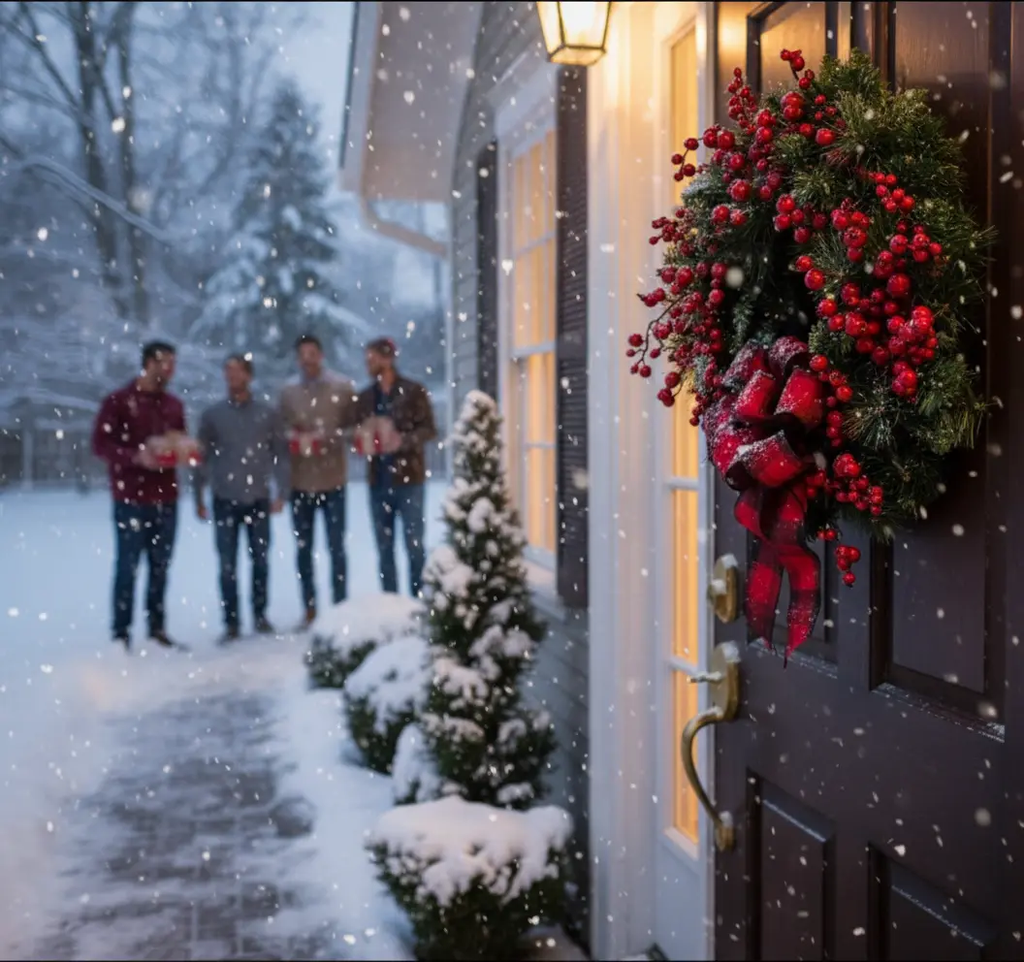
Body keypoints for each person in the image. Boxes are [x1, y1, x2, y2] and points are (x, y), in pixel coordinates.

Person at [91, 340, 186, 650]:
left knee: (161, 566)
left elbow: (178, 441)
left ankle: (157, 628)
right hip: (130, 499)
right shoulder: (118, 401)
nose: (169, 369)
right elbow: (99, 445)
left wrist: (183, 451)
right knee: (127, 566)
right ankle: (121, 634)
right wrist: (135, 456)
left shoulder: (174, 406)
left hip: (166, 498)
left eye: (172, 363)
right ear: (147, 363)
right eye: (163, 362)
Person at [194, 354, 290, 643]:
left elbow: (281, 455)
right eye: (228, 371)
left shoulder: (267, 414)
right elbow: (201, 458)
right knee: (227, 563)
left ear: (249, 375)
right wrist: (198, 494)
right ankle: (231, 621)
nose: (232, 376)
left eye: (237, 371)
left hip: (258, 497)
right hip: (224, 498)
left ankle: (260, 615)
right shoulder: (213, 416)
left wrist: (282, 491)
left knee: (260, 560)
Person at [279, 333, 359, 628]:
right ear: (298, 358)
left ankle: (340, 607)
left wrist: (331, 437)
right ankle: (309, 608)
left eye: (312, 353)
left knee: (336, 547)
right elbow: (280, 432)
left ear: (321, 355)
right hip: (300, 483)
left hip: (333, 479)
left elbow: (354, 430)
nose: (307, 359)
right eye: (303, 354)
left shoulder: (342, 387)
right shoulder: (287, 392)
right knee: (303, 549)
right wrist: (295, 438)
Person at [356, 337, 437, 598]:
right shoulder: (366, 397)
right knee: (384, 548)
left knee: (414, 546)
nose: (368, 364)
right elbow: (355, 433)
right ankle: (390, 605)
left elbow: (429, 430)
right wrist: (363, 439)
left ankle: (418, 601)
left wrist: (403, 440)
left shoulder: (414, 391)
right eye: (367, 359)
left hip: (409, 480)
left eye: (372, 359)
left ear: (388, 358)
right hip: (378, 481)